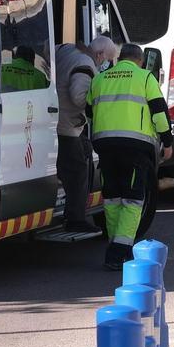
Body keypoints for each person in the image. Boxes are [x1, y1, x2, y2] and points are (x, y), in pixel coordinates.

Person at [88, 43, 173, 270]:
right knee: (133, 199)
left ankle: (113, 246)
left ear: (120, 57)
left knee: (112, 197)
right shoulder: (145, 78)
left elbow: (88, 110)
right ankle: (120, 251)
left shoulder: (100, 78)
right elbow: (159, 112)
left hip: (105, 146)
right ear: (141, 61)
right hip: (135, 148)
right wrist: (167, 141)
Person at [56, 36, 118, 234]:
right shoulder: (86, 64)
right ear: (99, 54)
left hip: (59, 121)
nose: (105, 64)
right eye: (106, 59)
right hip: (68, 125)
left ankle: (75, 212)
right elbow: (78, 96)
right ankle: (75, 219)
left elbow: (47, 51)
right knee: (78, 170)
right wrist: (98, 104)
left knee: (83, 157)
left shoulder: (68, 49)